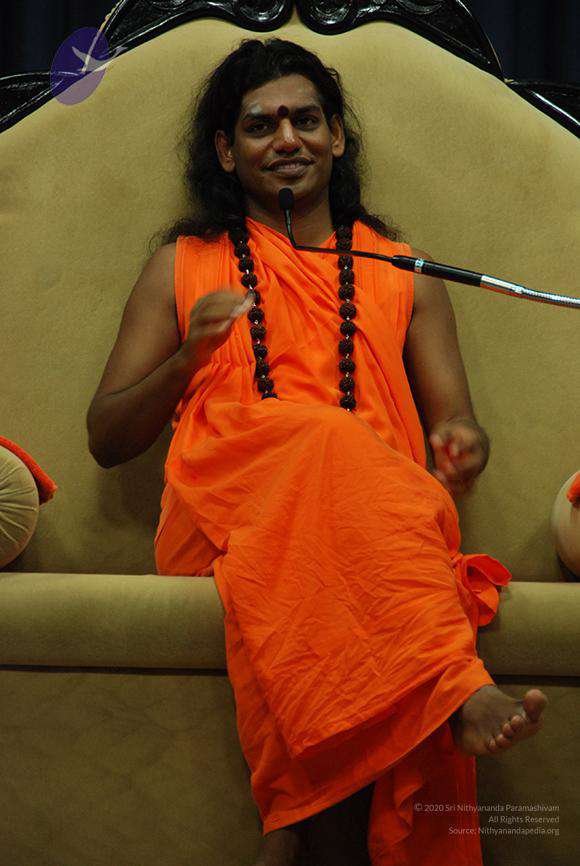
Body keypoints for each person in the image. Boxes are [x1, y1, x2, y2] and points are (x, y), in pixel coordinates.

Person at [86, 38, 548, 866]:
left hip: (378, 528)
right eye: (260, 125)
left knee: (358, 484)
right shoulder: (182, 266)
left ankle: (294, 828)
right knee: (328, 436)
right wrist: (188, 359)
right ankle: (452, 691)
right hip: (223, 521)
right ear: (226, 151)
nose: (287, 138)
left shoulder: (402, 269)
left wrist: (462, 446)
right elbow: (106, 438)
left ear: (336, 135)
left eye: (305, 119)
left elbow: (457, 423)